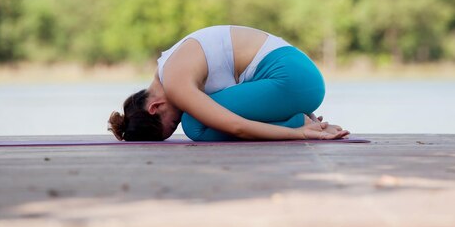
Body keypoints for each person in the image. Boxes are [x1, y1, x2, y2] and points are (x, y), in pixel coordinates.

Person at [108, 25, 350, 142]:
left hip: (291, 77)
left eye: (173, 122)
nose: (179, 120)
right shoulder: (167, 64)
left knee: (195, 125)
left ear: (155, 107)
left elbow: (237, 127)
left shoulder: (174, 82)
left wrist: (298, 133)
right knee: (205, 117)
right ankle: (302, 117)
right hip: (299, 76)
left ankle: (301, 122)